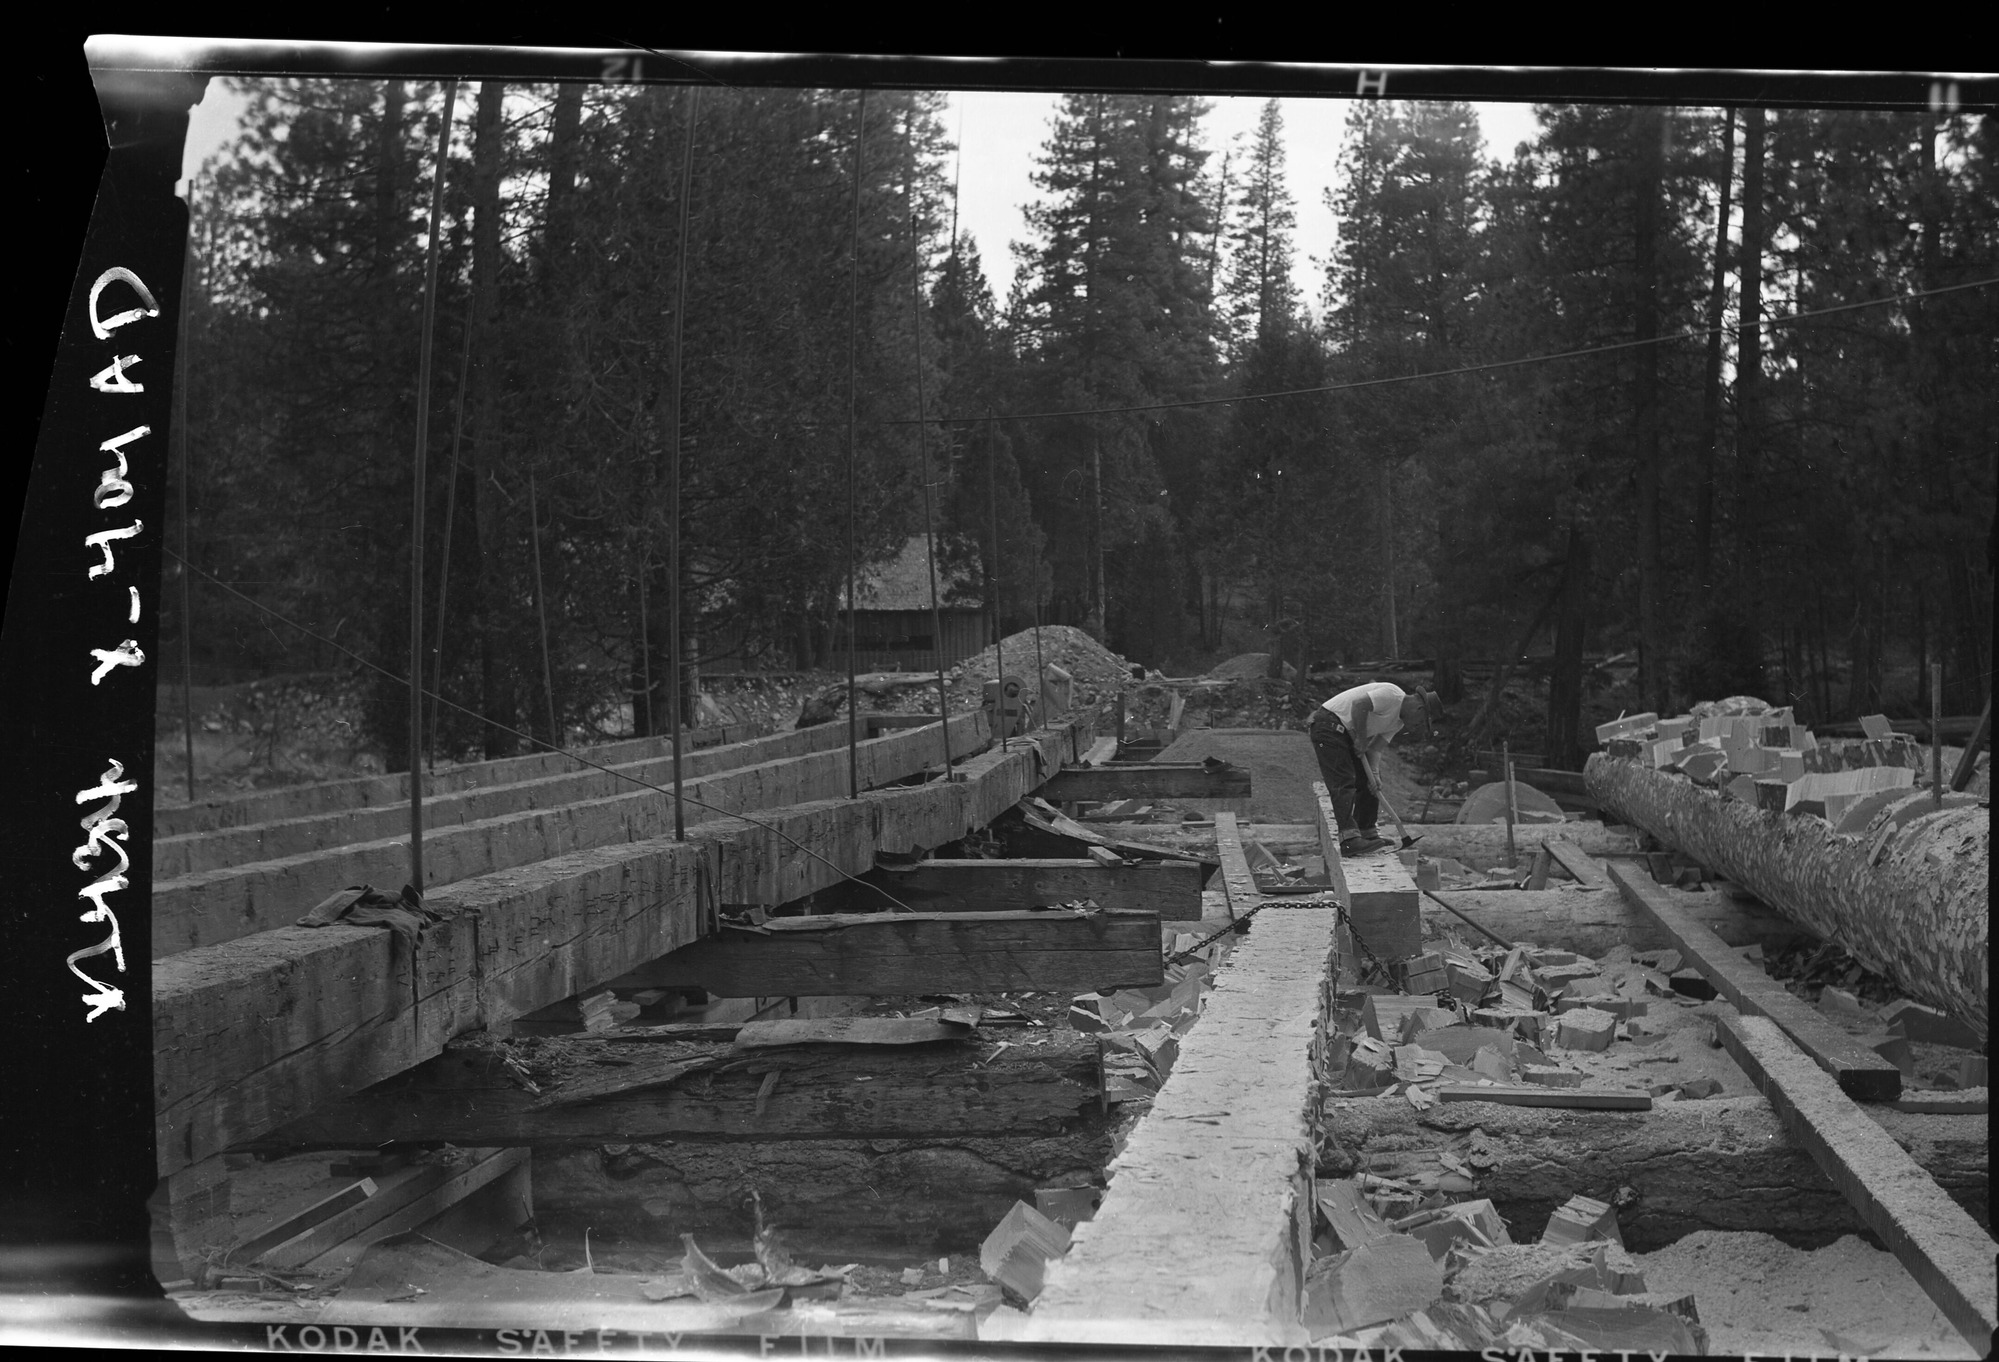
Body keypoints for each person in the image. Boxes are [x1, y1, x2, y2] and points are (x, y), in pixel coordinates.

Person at [1309, 681, 1440, 856]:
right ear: (1420, 709)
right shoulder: (1392, 694)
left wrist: (1375, 776)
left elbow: (1375, 749)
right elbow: (1359, 705)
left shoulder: (1397, 723)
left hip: (1345, 733)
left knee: (1367, 781)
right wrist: (1362, 739)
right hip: (1329, 725)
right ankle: (1349, 840)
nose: (1417, 728)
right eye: (1421, 723)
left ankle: (1366, 832)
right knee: (1344, 782)